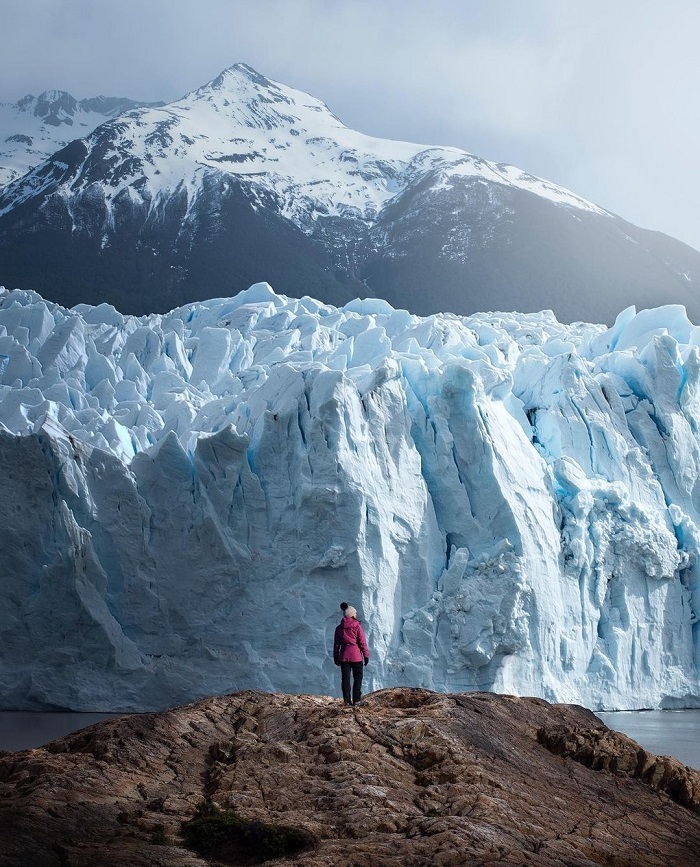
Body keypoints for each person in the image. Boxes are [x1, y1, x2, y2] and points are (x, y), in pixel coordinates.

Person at [333, 603, 369, 706]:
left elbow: (336, 645)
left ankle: (347, 701)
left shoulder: (339, 628)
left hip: (344, 657)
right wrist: (366, 655)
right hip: (356, 656)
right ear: (352, 615)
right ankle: (357, 700)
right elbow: (362, 642)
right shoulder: (357, 626)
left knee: (345, 679)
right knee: (358, 678)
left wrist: (336, 656)